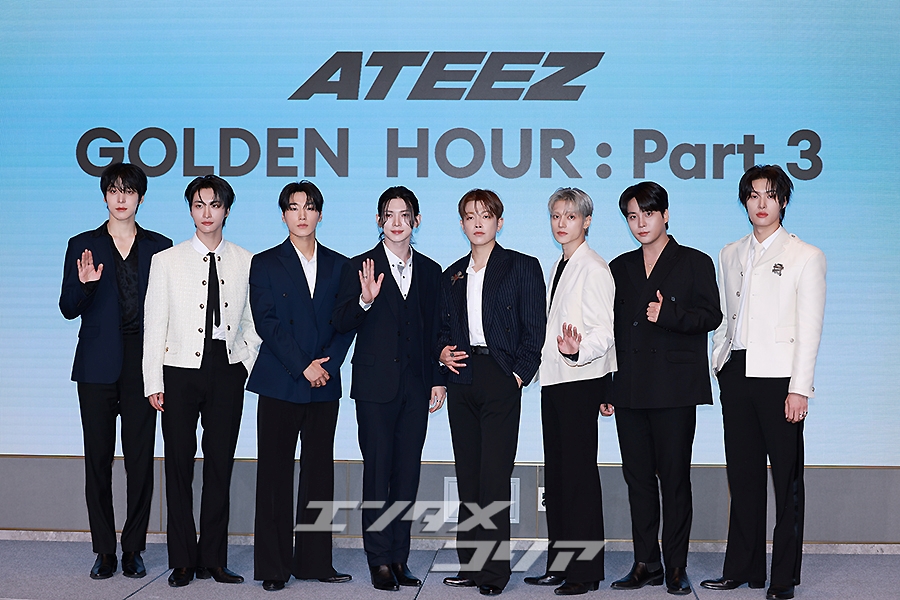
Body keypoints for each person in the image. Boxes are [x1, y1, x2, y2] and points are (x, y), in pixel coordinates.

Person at [701, 165, 826, 600]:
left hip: (780, 380)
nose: (761, 203)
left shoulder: (805, 255)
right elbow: (725, 316)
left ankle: (783, 577)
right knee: (743, 475)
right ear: (744, 201)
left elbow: (809, 329)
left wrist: (800, 388)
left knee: (787, 481)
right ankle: (743, 568)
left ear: (783, 201)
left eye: (770, 195)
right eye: (753, 195)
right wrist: (720, 360)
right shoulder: (729, 252)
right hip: (736, 373)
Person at [143, 174, 260, 588]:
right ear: (190, 210)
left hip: (226, 368)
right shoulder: (166, 260)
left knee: (220, 464)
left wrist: (243, 358)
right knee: (178, 465)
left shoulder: (246, 260)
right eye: (198, 205)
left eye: (214, 204)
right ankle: (182, 559)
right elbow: (154, 324)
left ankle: (214, 558)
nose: (206, 213)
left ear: (227, 209)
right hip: (178, 370)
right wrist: (153, 380)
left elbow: (253, 321)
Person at [607, 181, 721, 596]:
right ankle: (646, 562)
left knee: (674, 480)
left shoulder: (694, 261)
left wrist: (669, 313)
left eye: (648, 214)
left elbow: (712, 316)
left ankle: (676, 566)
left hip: (674, 389)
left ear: (666, 215)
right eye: (632, 216)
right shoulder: (619, 267)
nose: (640, 223)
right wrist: (606, 386)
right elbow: (611, 330)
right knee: (637, 479)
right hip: (630, 388)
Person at [60, 162, 172, 580]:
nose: (120, 198)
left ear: (141, 197)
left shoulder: (161, 246)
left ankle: (134, 548)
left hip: (143, 365)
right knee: (98, 462)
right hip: (96, 367)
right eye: (113, 191)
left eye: (128, 191)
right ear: (105, 196)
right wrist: (86, 285)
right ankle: (104, 550)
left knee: (140, 462)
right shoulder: (82, 244)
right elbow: (67, 307)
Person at [332, 186, 445, 591]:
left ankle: (400, 557)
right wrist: (364, 301)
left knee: (407, 476)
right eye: (389, 215)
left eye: (404, 215)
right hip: (375, 389)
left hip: (416, 386)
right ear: (379, 220)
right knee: (378, 474)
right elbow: (340, 321)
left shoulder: (431, 270)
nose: (397, 222)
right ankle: (378, 560)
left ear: (417, 220)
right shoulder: (359, 266)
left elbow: (435, 328)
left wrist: (438, 378)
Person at [248, 181, 355, 592]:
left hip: (323, 382)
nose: (302, 214)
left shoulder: (340, 265)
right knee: (274, 475)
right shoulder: (265, 263)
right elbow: (267, 323)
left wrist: (324, 366)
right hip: (281, 381)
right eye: (293, 207)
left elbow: (346, 324)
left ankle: (314, 561)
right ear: (283, 216)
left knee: (319, 474)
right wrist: (302, 366)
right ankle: (273, 567)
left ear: (320, 214)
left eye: (309, 207)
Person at [438, 189, 546, 596]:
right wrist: (441, 351)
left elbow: (535, 328)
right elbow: (441, 328)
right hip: (461, 376)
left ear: (499, 222)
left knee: (494, 477)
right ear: (461, 224)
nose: (478, 223)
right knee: (468, 476)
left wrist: (519, 375)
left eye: (485, 215)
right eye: (470, 216)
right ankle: (471, 565)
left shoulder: (521, 266)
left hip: (501, 376)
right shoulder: (452, 273)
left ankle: (495, 572)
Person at [523, 188, 616, 596]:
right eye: (556, 216)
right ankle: (560, 566)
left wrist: (578, 350)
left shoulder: (594, 268)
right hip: (556, 381)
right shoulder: (560, 264)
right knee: (559, 479)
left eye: (571, 216)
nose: (562, 223)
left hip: (580, 380)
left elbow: (605, 333)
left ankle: (585, 571)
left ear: (587, 221)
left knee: (578, 479)